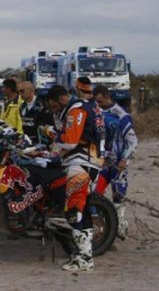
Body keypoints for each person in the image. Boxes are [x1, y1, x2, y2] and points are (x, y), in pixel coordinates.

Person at [43, 79, 106, 272]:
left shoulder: (77, 109)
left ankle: (85, 259)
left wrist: (51, 133)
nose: (53, 109)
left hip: (80, 163)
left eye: (54, 105)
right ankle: (82, 256)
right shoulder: (94, 108)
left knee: (74, 211)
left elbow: (70, 141)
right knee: (83, 210)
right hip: (93, 163)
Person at [93, 85, 138, 240]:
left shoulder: (122, 115)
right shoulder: (97, 113)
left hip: (119, 164)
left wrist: (125, 158)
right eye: (96, 101)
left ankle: (120, 228)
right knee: (96, 194)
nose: (98, 104)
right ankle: (102, 229)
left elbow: (133, 141)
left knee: (118, 196)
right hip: (103, 163)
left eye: (100, 101)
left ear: (106, 97)